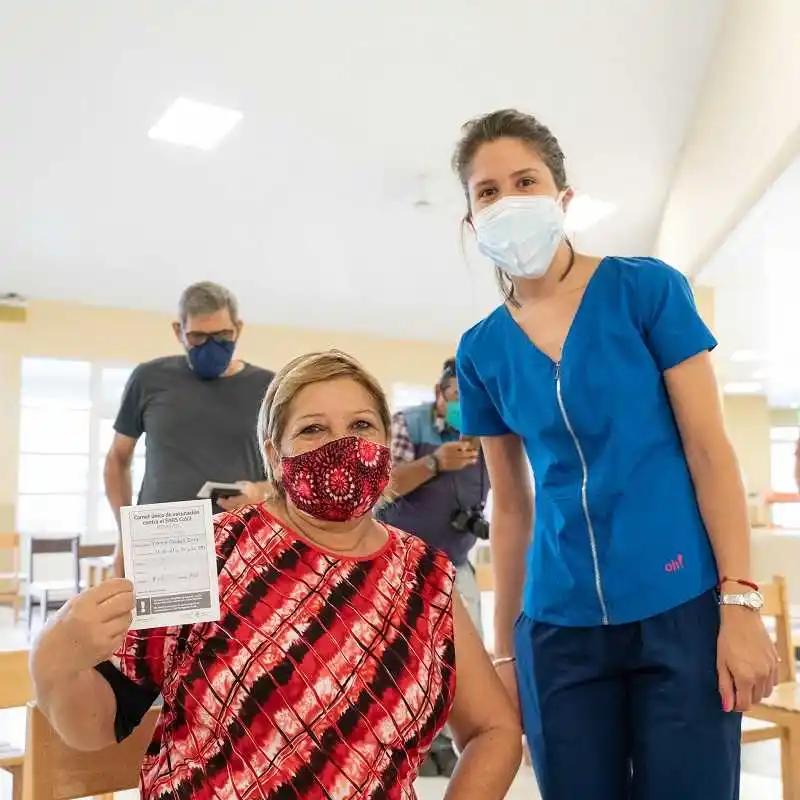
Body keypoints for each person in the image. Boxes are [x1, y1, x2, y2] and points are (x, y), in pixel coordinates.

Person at [451, 109, 778, 800]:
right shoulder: (481, 350)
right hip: (557, 629)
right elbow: (511, 505)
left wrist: (741, 605)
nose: (507, 200)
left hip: (679, 605)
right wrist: (506, 653)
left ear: (562, 198)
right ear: (471, 219)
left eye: (525, 181)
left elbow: (709, 451)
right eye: (487, 191)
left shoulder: (645, 290)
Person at [30, 350, 522, 799]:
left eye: (361, 425)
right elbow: (96, 724)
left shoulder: (423, 577)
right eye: (312, 429)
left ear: (386, 443)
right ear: (273, 453)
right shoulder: (206, 548)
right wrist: (56, 657)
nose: (343, 445)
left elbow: (495, 731)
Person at [104, 281, 274, 576]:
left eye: (222, 335)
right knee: (153, 625)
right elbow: (118, 459)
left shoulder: (269, 388)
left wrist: (263, 491)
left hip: (241, 548)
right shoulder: (149, 379)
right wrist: (124, 537)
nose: (211, 346)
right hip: (160, 549)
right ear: (178, 332)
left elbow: (293, 473)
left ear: (239, 328)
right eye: (198, 337)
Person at [378, 357, 489, 777]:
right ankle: (404, 742)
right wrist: (436, 462)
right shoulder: (409, 423)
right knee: (406, 657)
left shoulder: (485, 432)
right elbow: (384, 486)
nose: (464, 404)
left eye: (472, 398)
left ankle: (448, 741)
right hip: (408, 563)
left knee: (462, 659)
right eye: (457, 395)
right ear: (440, 392)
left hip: (457, 562)